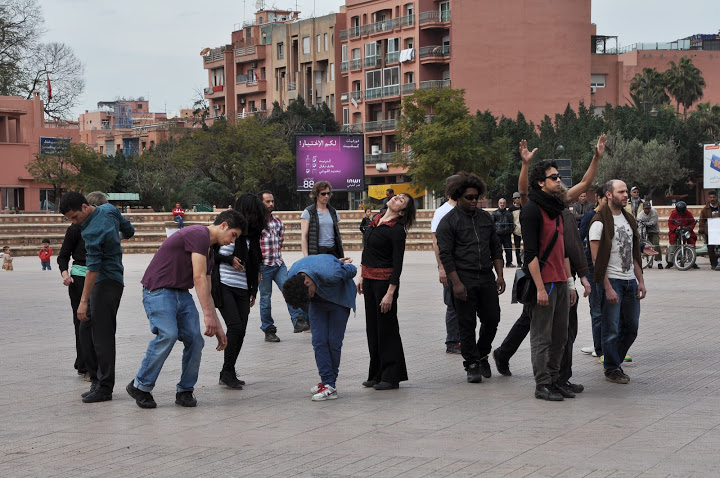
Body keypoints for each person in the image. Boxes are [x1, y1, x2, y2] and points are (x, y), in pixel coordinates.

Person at [126, 210, 240, 409]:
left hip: (181, 294)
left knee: (195, 339)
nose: (232, 241)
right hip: (158, 291)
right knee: (168, 335)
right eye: (233, 235)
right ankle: (140, 385)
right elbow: (198, 278)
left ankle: (185, 390)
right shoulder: (199, 234)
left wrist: (219, 328)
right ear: (223, 225)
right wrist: (207, 316)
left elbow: (207, 288)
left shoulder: (210, 252)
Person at [59, 191, 135, 403]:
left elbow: (92, 269)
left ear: (85, 207)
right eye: (70, 220)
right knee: (85, 329)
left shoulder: (92, 230)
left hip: (107, 281)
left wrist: (83, 302)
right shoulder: (109, 209)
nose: (74, 222)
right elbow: (129, 230)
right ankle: (96, 379)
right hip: (107, 280)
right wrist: (117, 238)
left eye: (75, 217)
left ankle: (105, 387)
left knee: (102, 336)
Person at [436, 172, 505, 383]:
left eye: (477, 197)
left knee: (492, 319)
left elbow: (496, 248)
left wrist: (500, 275)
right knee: (466, 325)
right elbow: (446, 255)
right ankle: (472, 364)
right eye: (469, 197)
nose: (474, 200)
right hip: (463, 277)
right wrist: (456, 283)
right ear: (458, 196)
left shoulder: (485, 217)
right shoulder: (448, 222)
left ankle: (482, 353)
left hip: (486, 277)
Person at [589, 180, 647, 384]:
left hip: (630, 281)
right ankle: (612, 368)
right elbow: (597, 260)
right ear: (609, 195)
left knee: (631, 328)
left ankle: (615, 361)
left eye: (626, 191)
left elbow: (633, 255)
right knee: (611, 328)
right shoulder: (598, 222)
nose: (625, 195)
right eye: (621, 191)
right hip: (611, 281)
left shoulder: (629, 219)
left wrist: (640, 281)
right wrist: (606, 287)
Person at [359, 193, 416, 390]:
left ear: (402, 211)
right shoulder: (376, 220)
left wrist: (391, 292)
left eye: (401, 200)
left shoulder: (397, 230)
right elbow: (368, 251)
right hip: (369, 280)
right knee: (372, 328)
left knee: (386, 329)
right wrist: (362, 276)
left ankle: (392, 376)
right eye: (397, 196)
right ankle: (375, 373)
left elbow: (397, 264)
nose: (396, 198)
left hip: (385, 284)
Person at [283, 254, 357, 401]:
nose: (309, 297)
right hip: (319, 304)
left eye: (309, 294)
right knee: (319, 341)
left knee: (333, 342)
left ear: (307, 282)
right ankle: (327, 382)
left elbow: (352, 270)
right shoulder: (293, 276)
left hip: (339, 301)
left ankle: (330, 385)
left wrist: (340, 266)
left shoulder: (331, 273)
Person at [57, 191, 108, 381]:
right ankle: (85, 365)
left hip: (100, 278)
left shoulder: (104, 226)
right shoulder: (75, 229)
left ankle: (94, 364)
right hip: (79, 279)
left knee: (96, 324)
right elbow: (63, 256)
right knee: (82, 322)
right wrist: (65, 275)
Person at [257, 190, 308, 338]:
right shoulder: (255, 224)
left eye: (272, 201)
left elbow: (280, 242)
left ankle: (298, 321)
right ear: (261, 203)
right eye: (268, 201)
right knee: (265, 299)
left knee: (290, 290)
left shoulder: (278, 222)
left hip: (278, 264)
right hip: (263, 266)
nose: (271, 204)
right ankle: (268, 329)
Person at [432, 176, 462, 355]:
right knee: (452, 304)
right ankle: (452, 341)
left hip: (464, 265)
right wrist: (442, 267)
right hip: (450, 265)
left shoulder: (463, 209)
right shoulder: (442, 212)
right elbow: (436, 242)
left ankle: (462, 339)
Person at [300, 181, 344, 259]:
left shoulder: (333, 212)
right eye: (323, 194)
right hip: (317, 252)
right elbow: (304, 236)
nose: (326, 196)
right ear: (316, 195)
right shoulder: (308, 212)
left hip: (333, 251)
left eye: (328, 193)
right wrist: (306, 258)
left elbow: (337, 234)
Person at [666, 201, 698, 269]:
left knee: (691, 241)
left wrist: (689, 228)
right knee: (673, 242)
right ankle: (670, 261)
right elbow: (670, 223)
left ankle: (692, 260)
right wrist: (675, 228)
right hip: (676, 231)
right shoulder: (674, 213)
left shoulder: (688, 213)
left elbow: (692, 223)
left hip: (686, 230)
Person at [637, 202, 663, 269]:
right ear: (643, 209)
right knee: (642, 243)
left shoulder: (654, 212)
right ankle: (647, 259)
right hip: (644, 230)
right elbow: (639, 225)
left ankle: (659, 261)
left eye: (649, 208)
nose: (647, 210)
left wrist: (645, 223)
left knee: (656, 244)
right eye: (646, 209)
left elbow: (653, 222)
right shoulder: (640, 215)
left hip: (654, 230)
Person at [492, 198, 516, 267]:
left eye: (503, 203)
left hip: (507, 234)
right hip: (498, 234)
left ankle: (509, 262)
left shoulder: (509, 214)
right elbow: (492, 223)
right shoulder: (495, 213)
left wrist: (510, 230)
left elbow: (511, 223)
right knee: (498, 250)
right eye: (501, 203)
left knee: (508, 249)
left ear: (505, 204)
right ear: (498, 204)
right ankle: (500, 263)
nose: (502, 204)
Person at [699, 190, 719, 270]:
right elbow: (701, 220)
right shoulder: (705, 209)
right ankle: (713, 264)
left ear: (716, 197)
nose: (712, 199)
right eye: (710, 197)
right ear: (708, 198)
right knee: (710, 248)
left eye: (714, 197)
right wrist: (702, 229)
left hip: (719, 230)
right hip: (710, 231)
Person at [508, 192, 523, 268]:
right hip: (516, 230)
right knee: (517, 247)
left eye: (519, 198)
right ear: (513, 199)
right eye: (516, 198)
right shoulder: (511, 209)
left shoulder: (523, 207)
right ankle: (519, 262)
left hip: (524, 230)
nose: (517, 199)